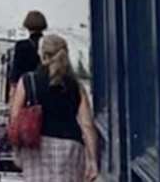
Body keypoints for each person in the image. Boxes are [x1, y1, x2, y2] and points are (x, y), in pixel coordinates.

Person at [7, 33, 98, 181]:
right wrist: (92, 160)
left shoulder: (27, 81)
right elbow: (87, 125)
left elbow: (15, 117)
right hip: (70, 148)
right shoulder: (75, 86)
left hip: (36, 146)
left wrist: (16, 150)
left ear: (42, 55)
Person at [8, 10, 49, 87]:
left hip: (25, 84)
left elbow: (16, 69)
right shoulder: (48, 44)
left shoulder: (21, 45)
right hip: (44, 84)